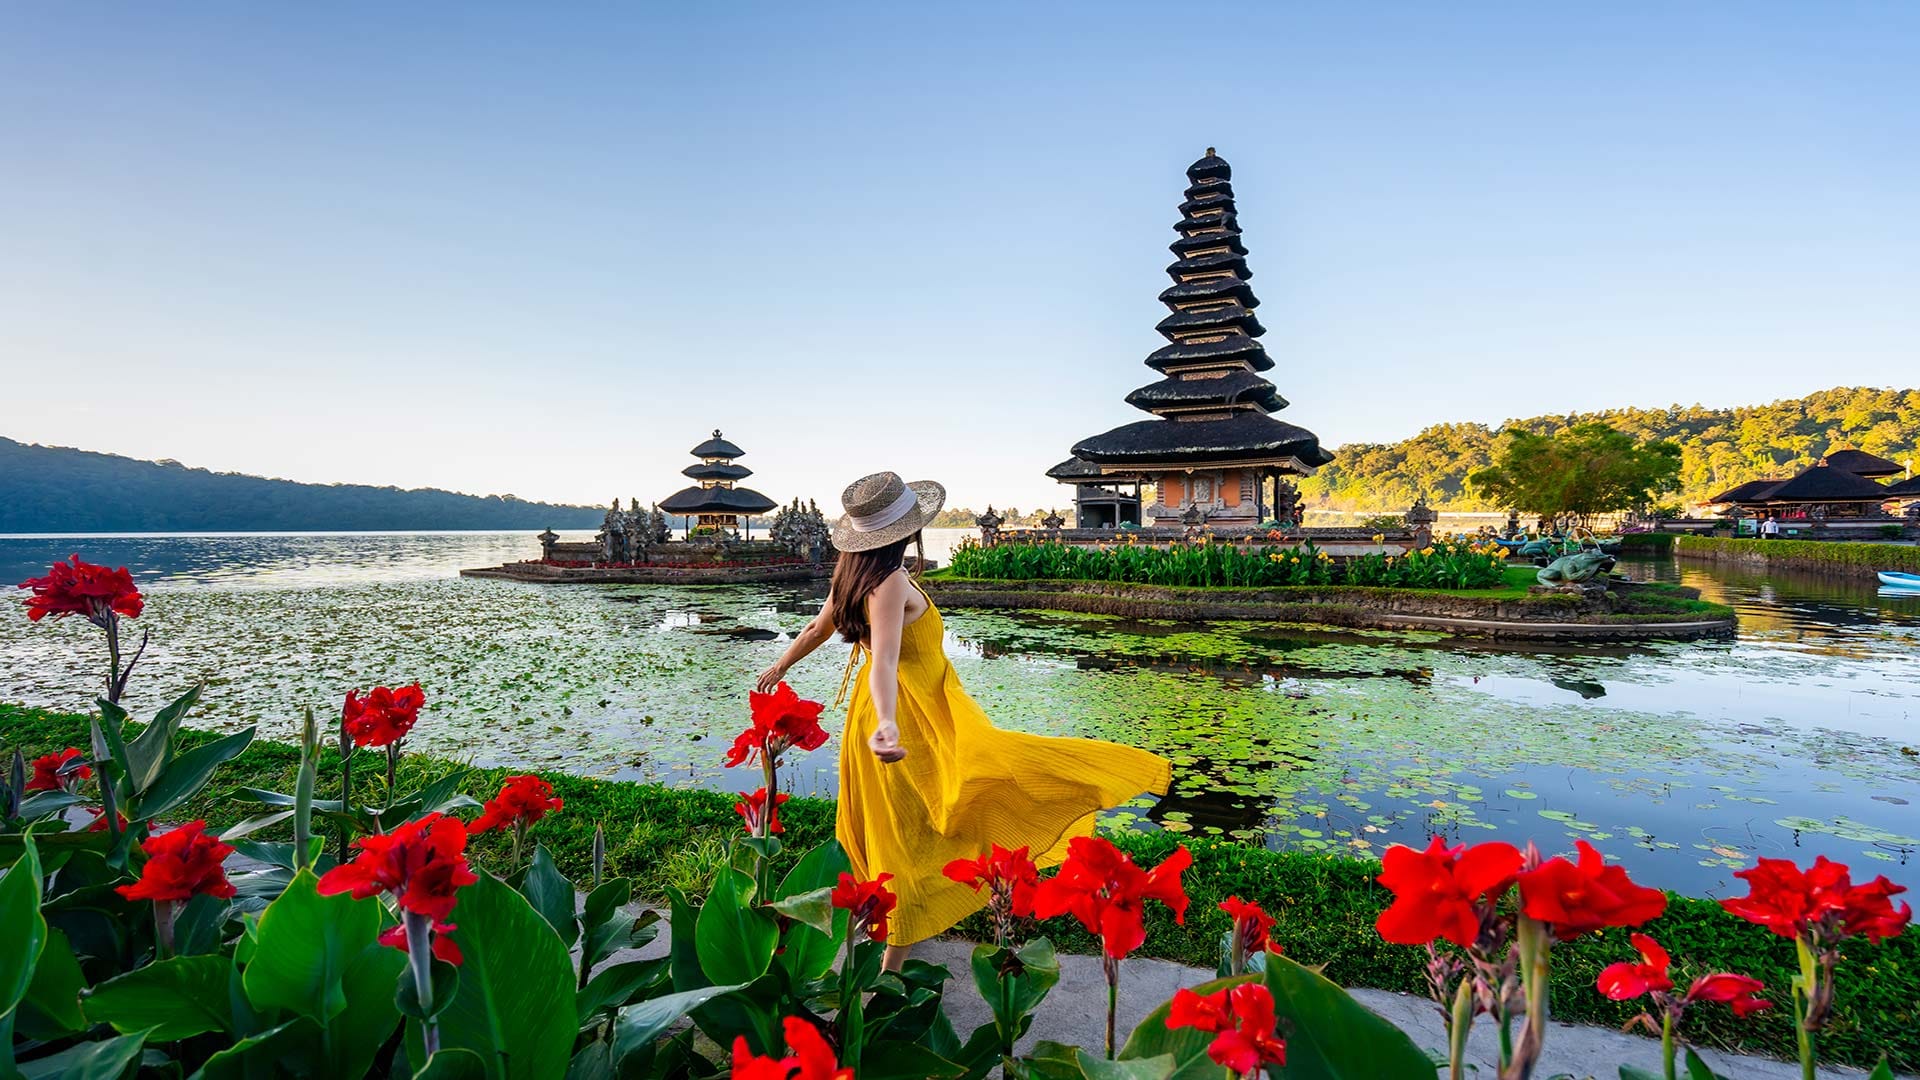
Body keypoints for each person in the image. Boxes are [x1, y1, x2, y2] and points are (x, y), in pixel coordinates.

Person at [757, 471, 1171, 970]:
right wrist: (887, 723)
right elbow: (884, 660)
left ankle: (894, 920)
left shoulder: (853, 573)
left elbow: (817, 628)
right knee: (913, 828)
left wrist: (782, 664)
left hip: (918, 709)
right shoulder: (887, 581)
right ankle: (891, 965)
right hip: (910, 717)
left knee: (924, 816)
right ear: (904, 531)